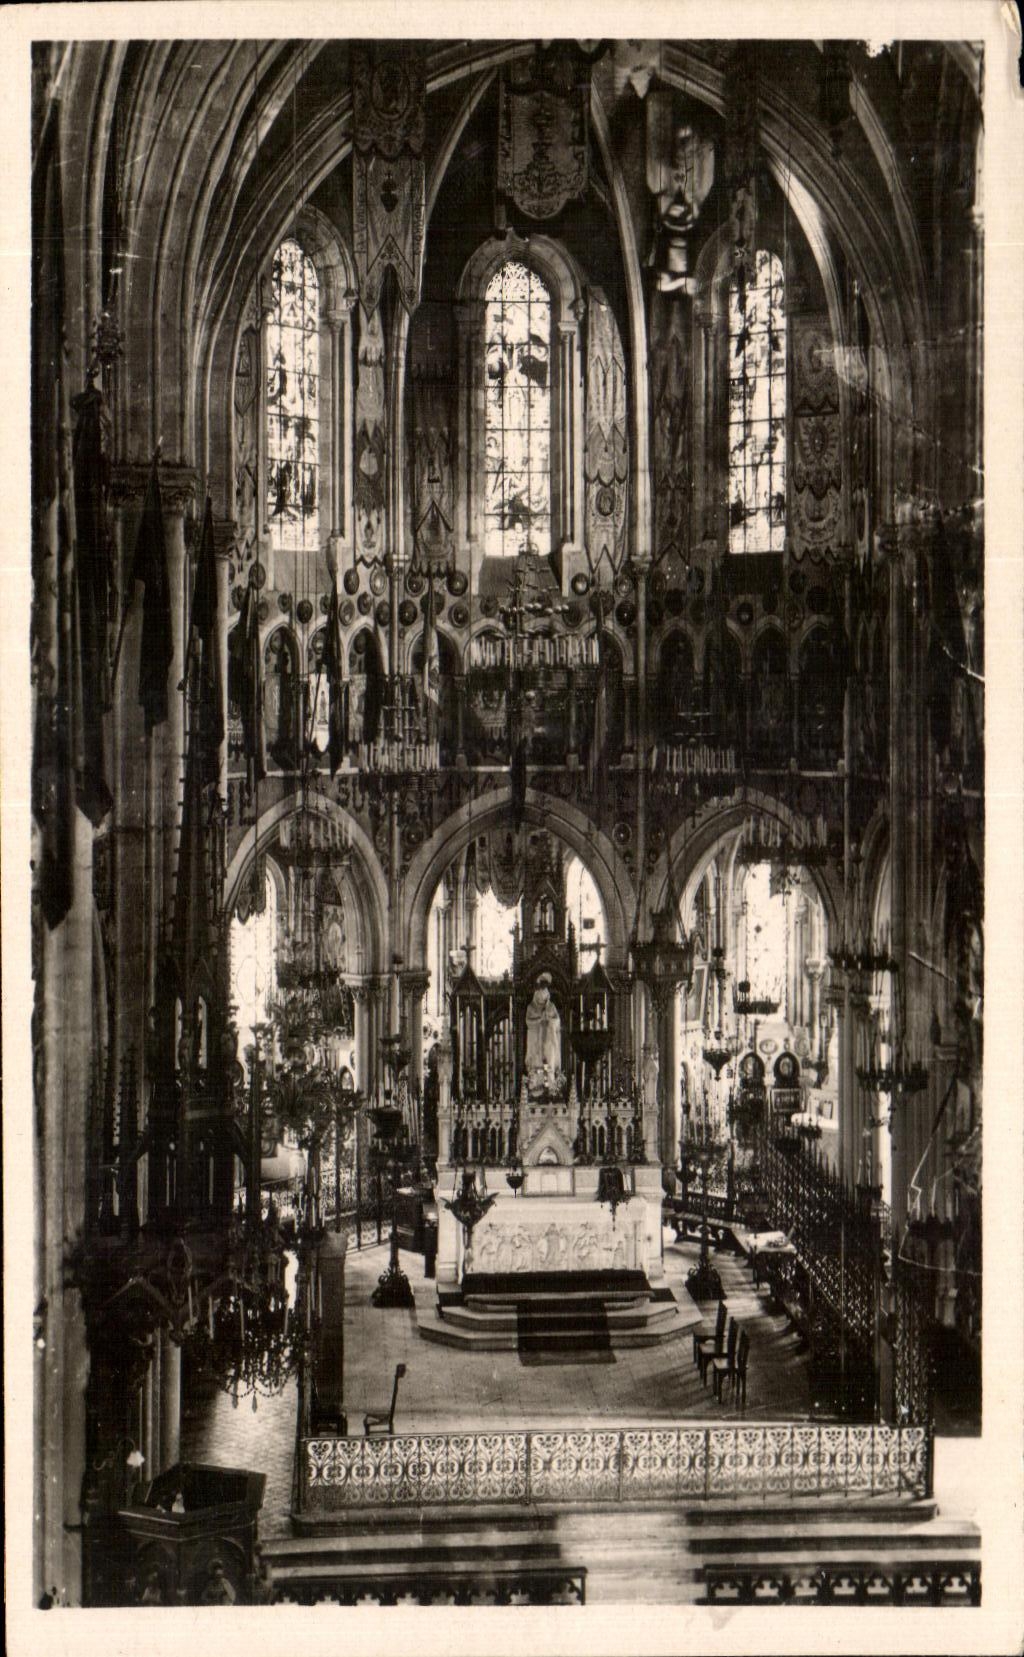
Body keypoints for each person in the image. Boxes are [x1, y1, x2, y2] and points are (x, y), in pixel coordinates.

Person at [525, 974, 562, 1089]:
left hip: (549, 1039)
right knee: (536, 1062)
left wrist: (549, 1021)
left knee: (549, 1061)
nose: (541, 1003)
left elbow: (557, 1021)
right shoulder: (531, 1007)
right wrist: (540, 1020)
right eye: (539, 1001)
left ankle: (550, 1086)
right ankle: (536, 1085)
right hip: (536, 1039)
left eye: (543, 1001)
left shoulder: (551, 1007)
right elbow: (528, 1021)